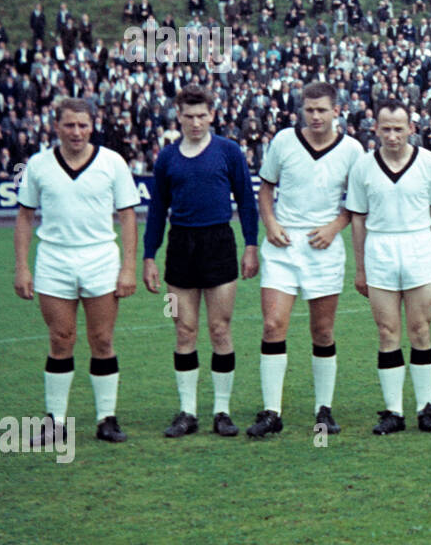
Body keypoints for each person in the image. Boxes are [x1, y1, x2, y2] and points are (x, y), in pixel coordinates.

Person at [14, 98, 140, 444]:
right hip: (54, 260)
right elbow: (25, 216)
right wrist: (22, 266)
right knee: (60, 339)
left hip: (100, 259)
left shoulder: (112, 162)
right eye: (69, 125)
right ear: (56, 126)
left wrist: (128, 266)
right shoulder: (38, 164)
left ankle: (107, 418)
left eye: (83, 125)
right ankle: (54, 422)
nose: (77, 132)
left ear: (92, 126)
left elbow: (127, 216)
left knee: (102, 340)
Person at [143, 84, 260, 438]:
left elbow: (246, 200)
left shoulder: (229, 151)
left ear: (212, 114)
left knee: (220, 329)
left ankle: (221, 411)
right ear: (178, 116)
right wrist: (149, 255)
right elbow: (157, 209)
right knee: (184, 330)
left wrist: (251, 244)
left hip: (218, 242)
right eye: (188, 116)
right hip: (180, 246)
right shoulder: (167, 157)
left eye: (202, 116)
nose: (195, 123)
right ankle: (187, 412)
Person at [248, 81, 363, 438]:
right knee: (272, 325)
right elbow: (265, 188)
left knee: (323, 331)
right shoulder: (283, 141)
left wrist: (334, 226)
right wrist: (269, 223)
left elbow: (358, 203)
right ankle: (271, 411)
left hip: (323, 248)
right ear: (301, 111)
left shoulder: (352, 150)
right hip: (283, 247)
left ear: (336, 111)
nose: (315, 116)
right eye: (309, 110)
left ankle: (323, 410)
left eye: (322, 110)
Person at [347, 100, 431, 434]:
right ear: (375, 129)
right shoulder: (363, 166)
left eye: (398, 128)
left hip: (418, 246)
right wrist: (360, 267)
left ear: (411, 129)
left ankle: (425, 408)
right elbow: (358, 220)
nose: (392, 135)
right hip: (380, 249)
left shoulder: (430, 163)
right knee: (387, 331)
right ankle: (393, 411)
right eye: (385, 128)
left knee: (420, 330)